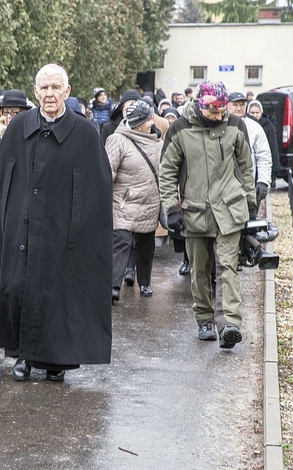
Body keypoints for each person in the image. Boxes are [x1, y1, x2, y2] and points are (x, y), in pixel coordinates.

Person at [0, 63, 113, 382]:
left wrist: (79, 228)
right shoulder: (19, 128)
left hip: (63, 232)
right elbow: (2, 179)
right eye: (44, 88)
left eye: (56, 87)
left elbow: (98, 189)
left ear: (67, 92)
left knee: (56, 294)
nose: (49, 94)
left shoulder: (85, 133)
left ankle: (56, 359)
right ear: (35, 92)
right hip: (23, 230)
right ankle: (22, 356)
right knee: (19, 289)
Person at [160, 81, 255, 349]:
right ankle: (205, 320)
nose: (218, 116)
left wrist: (250, 201)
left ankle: (230, 324)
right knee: (199, 270)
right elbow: (167, 171)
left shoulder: (235, 125)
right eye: (213, 111)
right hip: (194, 210)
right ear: (201, 105)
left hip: (229, 209)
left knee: (228, 266)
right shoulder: (180, 128)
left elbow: (247, 166)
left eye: (222, 110)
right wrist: (171, 208)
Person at [105, 100, 163, 303]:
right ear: (138, 123)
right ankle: (112, 286)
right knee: (122, 241)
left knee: (146, 244)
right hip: (123, 203)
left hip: (149, 202)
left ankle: (145, 282)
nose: (152, 121)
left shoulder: (156, 140)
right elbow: (107, 173)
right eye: (148, 118)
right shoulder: (117, 140)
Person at [227, 92, 272, 209]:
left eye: (242, 105)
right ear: (227, 105)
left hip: (248, 183)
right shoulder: (221, 125)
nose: (238, 108)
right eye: (235, 105)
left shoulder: (255, 127)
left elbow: (264, 156)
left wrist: (263, 181)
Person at [246, 99, 282, 185]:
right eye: (252, 113)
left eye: (257, 113)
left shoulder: (268, 126)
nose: (255, 115)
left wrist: (275, 168)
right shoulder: (245, 125)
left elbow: (273, 147)